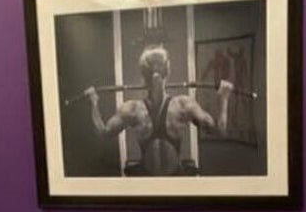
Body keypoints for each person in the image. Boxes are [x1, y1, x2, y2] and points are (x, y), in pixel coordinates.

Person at [85, 46, 231, 176]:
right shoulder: (132, 109)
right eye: (150, 69)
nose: (155, 73)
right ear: (144, 74)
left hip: (175, 180)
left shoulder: (183, 105)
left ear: (166, 72)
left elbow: (220, 132)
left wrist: (223, 99)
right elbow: (104, 134)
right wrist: (93, 103)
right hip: (147, 182)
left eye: (159, 68)